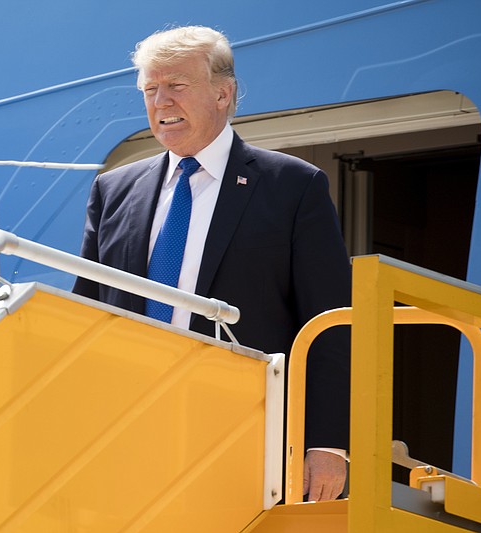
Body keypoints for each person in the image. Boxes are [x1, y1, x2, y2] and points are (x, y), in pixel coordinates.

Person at [73, 25, 351, 501]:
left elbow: (330, 323)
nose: (160, 102)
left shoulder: (292, 186)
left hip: (244, 434)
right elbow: (86, 313)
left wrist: (327, 444)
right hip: (128, 432)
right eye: (150, 89)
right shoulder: (112, 190)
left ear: (224, 93)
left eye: (176, 86)